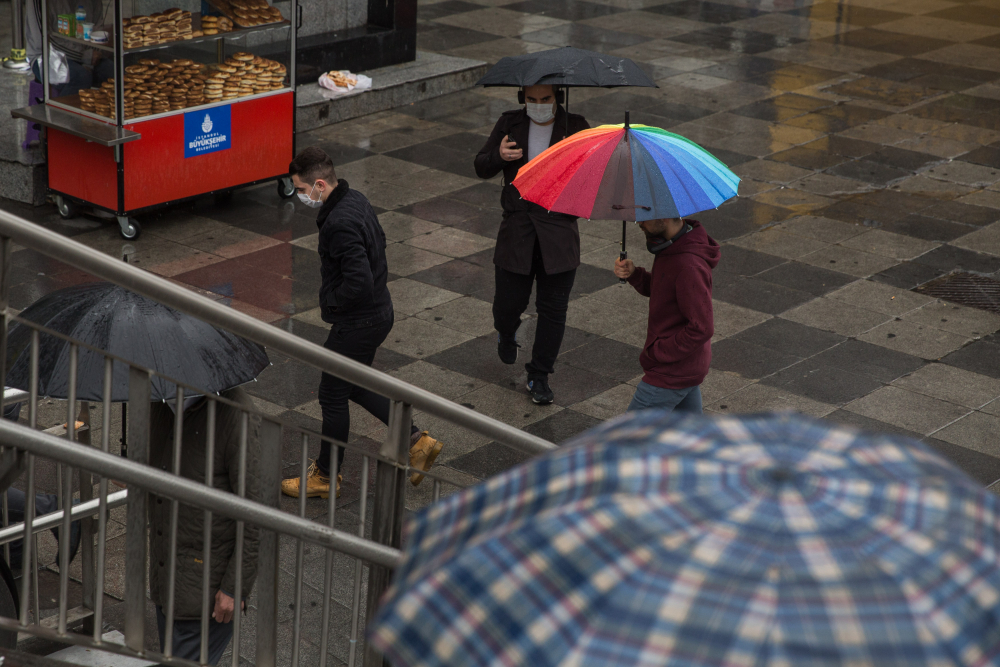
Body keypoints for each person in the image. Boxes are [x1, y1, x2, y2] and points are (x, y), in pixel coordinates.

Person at [281, 147, 443, 499]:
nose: (300, 196)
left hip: (359, 322)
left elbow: (358, 281)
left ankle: (325, 476)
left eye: (301, 189)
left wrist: (331, 304)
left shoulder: (338, 222)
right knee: (352, 385)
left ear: (319, 184)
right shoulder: (355, 199)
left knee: (331, 394)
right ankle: (416, 441)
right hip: (378, 313)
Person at [475, 84, 590, 405]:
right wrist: (498, 156)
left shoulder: (576, 128)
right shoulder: (509, 123)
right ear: (522, 99)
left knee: (553, 311)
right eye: (532, 100)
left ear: (558, 98)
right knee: (508, 303)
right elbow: (480, 165)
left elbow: (594, 178)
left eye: (546, 100)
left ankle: (539, 375)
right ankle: (507, 330)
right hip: (517, 229)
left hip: (559, 232)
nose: (538, 106)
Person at [147, 389, 261, 665]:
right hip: (167, 578)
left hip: (207, 592)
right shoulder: (159, 400)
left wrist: (234, 587)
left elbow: (258, 514)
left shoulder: (236, 414)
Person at [613, 217, 720, 413]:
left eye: (645, 216)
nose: (639, 223)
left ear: (664, 216)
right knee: (688, 439)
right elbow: (666, 290)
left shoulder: (688, 264)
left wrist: (660, 351)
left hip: (671, 372)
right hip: (685, 368)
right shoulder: (672, 248)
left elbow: (702, 327)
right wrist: (635, 274)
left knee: (627, 440)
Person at [25, 0, 113, 97]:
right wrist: (83, 56)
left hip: (85, 52)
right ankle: (61, 112)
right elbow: (44, 40)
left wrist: (93, 53)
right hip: (47, 56)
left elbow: (96, 28)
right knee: (80, 77)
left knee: (113, 71)